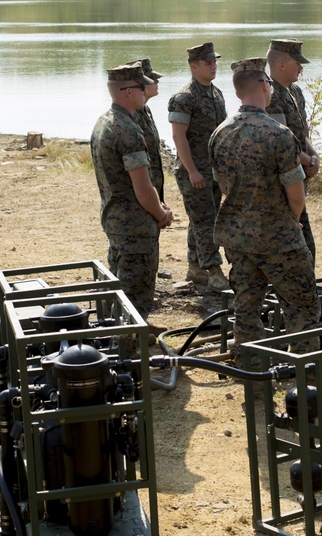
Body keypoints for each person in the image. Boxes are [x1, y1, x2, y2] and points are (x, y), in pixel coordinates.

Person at [209, 57, 320, 361]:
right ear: (263, 85)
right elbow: (296, 196)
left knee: (246, 306)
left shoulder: (219, 134)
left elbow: (223, 187)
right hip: (279, 238)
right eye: (269, 84)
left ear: (237, 93)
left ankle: (251, 366)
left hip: (237, 239)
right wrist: (291, 222)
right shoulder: (280, 134)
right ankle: (304, 366)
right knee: (301, 304)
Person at [90, 63, 174, 329]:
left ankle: (118, 333)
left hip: (116, 218)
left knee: (119, 282)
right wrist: (161, 214)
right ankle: (131, 341)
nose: (145, 90)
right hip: (135, 225)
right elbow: (142, 187)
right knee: (136, 291)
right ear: (127, 92)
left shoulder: (105, 121)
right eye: (141, 86)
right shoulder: (128, 130)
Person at [168, 42, 230, 292]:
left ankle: (194, 267)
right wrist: (192, 171)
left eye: (215, 61)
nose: (214, 66)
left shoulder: (216, 93)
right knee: (206, 221)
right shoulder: (184, 98)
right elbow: (178, 137)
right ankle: (214, 272)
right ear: (194, 67)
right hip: (193, 171)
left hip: (212, 171)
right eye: (208, 63)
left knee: (202, 218)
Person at [266, 38, 319, 262]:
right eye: (297, 63)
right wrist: (307, 160)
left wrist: (313, 155)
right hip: (280, 180)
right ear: (281, 65)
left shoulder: (293, 92)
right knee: (295, 242)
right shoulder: (270, 95)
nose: (301, 67)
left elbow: (301, 133)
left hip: (297, 175)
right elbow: (281, 144)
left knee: (303, 241)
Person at [127, 58, 166, 202]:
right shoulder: (131, 115)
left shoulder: (145, 110)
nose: (156, 82)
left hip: (153, 188)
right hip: (140, 195)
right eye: (152, 79)